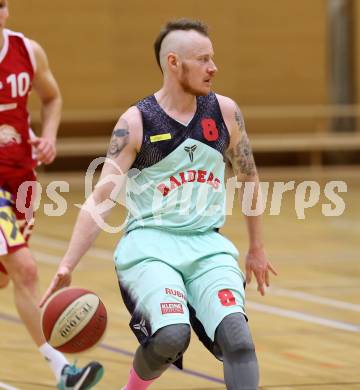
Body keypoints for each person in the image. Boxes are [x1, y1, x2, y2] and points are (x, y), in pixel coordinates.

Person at [41, 18, 277, 390]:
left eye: (212, 58)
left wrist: (257, 248)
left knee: (239, 340)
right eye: (203, 60)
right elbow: (101, 198)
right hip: (150, 247)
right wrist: (68, 264)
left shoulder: (226, 113)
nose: (213, 67)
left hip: (207, 244)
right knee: (171, 337)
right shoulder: (136, 123)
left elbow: (248, 177)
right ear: (173, 63)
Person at [0, 1, 104, 388]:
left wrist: (49, 136)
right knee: (25, 270)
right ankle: (63, 369)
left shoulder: (27, 50)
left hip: (22, 179)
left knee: (7, 279)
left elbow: (52, 97)